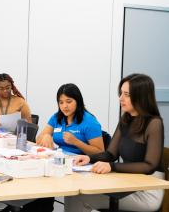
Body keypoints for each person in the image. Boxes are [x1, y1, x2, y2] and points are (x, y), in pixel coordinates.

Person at [65, 74, 165, 212]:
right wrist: (89, 158)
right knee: (73, 193)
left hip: (147, 192)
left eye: (126, 94)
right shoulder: (126, 119)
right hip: (128, 184)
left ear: (141, 97)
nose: (121, 98)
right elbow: (111, 154)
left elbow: (149, 166)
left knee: (78, 196)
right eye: (120, 93)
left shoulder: (154, 123)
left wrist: (111, 166)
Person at [36, 83, 104, 155]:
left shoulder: (90, 121)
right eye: (61, 102)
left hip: (81, 162)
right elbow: (38, 140)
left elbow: (100, 152)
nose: (64, 106)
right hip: (60, 159)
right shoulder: (56, 117)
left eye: (69, 101)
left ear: (78, 101)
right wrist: (46, 136)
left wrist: (76, 142)